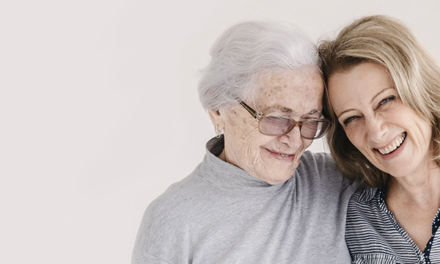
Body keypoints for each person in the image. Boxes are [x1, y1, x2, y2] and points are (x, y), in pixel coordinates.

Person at [132, 21, 358, 264]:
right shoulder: (173, 220)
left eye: (310, 120)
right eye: (277, 118)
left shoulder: (340, 180)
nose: (295, 140)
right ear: (218, 109)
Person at [319, 15, 440, 263]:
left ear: (421, 89)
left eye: (386, 100)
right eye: (352, 118)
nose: (375, 132)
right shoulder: (352, 218)